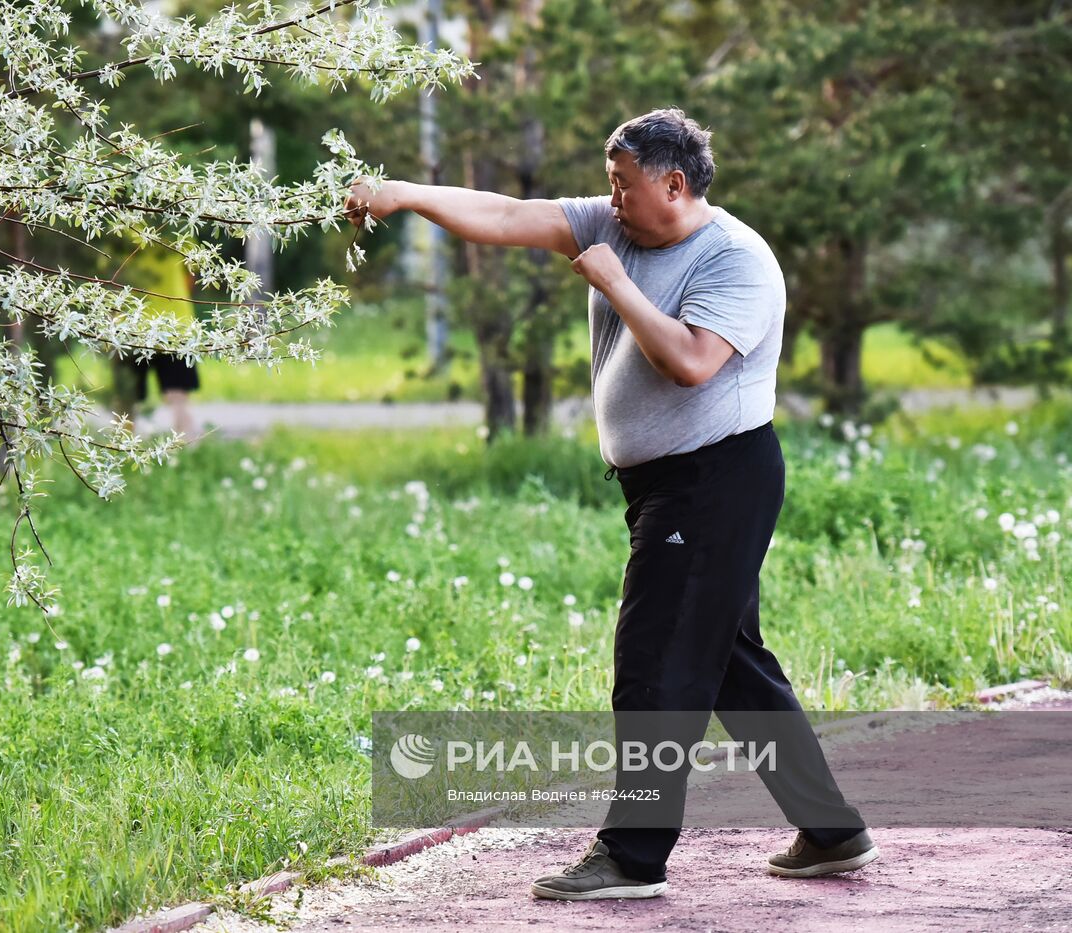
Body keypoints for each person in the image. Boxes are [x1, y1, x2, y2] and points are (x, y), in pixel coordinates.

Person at [346, 107, 877, 900]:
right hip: (664, 486)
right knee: (731, 665)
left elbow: (693, 362)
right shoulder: (615, 222)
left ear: (673, 182)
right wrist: (404, 192)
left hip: (715, 481)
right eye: (609, 186)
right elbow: (504, 214)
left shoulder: (737, 259)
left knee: (654, 664)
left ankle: (632, 855)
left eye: (624, 186)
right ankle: (831, 829)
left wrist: (618, 283)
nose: (613, 200)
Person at [114, 247, 200, 441]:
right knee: (178, 397)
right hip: (175, 324)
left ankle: (120, 452)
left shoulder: (123, 229)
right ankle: (187, 453)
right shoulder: (180, 229)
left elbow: (112, 275)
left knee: (127, 399)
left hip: (132, 324)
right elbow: (192, 275)